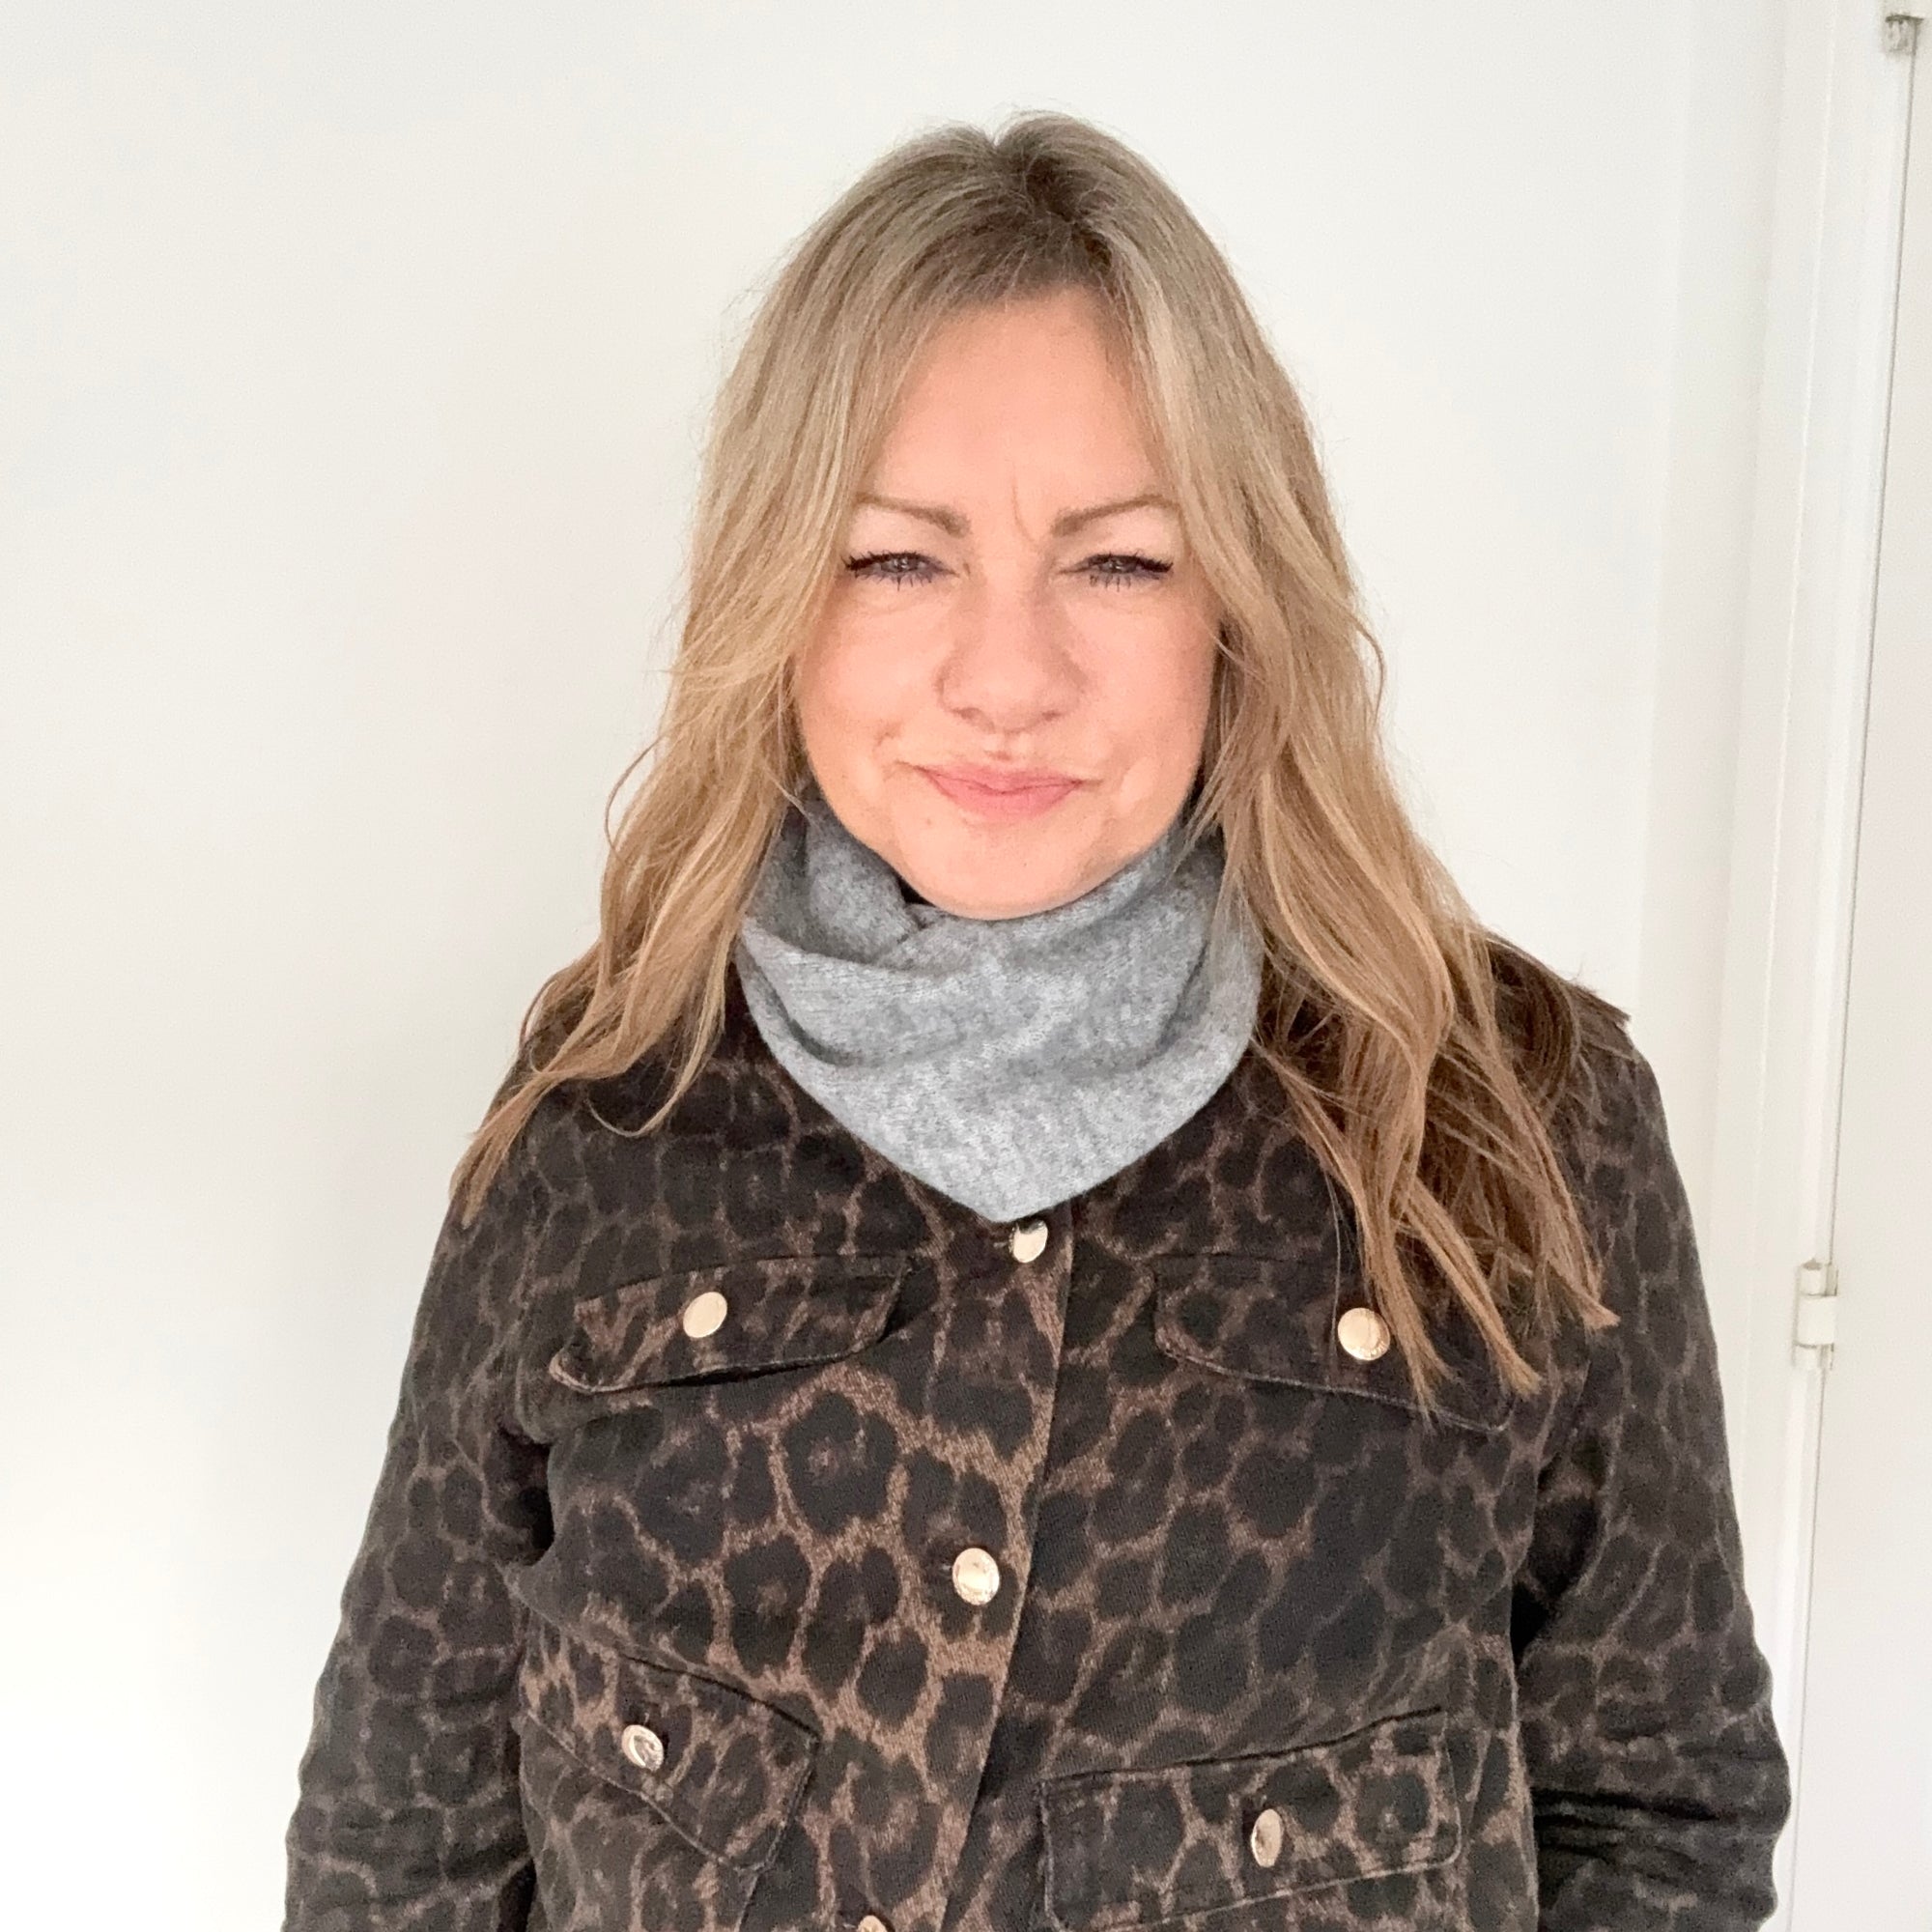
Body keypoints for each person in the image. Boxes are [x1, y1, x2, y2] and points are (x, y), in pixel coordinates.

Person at [283, 110, 1791, 1932]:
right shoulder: (611, 1103)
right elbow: (407, 1841)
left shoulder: (1513, 1119)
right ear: (776, 595)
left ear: (1246, 601)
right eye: (897, 561)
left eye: (1121, 564)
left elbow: (1660, 1814)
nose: (1007, 679)